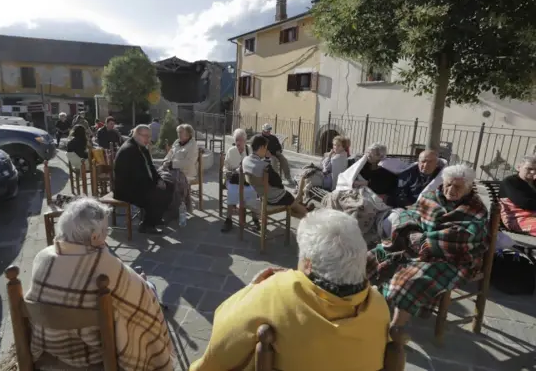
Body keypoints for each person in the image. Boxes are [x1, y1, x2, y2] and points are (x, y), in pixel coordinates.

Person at [190, 209, 391, 371]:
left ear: (309, 264)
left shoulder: (273, 292)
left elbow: (221, 344)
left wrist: (252, 289)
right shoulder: (378, 305)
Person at [25, 198, 174, 370]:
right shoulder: (105, 264)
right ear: (94, 237)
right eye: (106, 231)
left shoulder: (42, 257)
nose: (106, 236)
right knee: (149, 292)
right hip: (91, 356)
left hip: (50, 348)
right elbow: (140, 299)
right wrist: (144, 284)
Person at [367, 164, 488, 330]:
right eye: (448, 184)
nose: (451, 189)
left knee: (409, 280)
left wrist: (424, 241)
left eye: (457, 186)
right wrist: (410, 233)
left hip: (452, 258)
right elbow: (409, 213)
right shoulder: (431, 196)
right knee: (371, 256)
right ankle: (367, 309)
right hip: (413, 247)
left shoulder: (476, 209)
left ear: (468, 188)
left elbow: (463, 238)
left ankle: (396, 328)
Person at [114, 125, 174, 235]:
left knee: (169, 186)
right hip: (126, 189)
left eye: (149, 136)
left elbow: (151, 167)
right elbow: (137, 177)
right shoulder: (129, 150)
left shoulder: (141, 147)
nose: (148, 139)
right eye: (145, 136)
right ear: (136, 134)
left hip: (139, 184)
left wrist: (158, 180)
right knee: (158, 194)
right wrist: (154, 185)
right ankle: (147, 225)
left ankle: (155, 217)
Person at [242, 135, 308, 218]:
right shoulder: (264, 166)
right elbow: (278, 182)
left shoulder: (245, 160)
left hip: (258, 195)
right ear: (262, 147)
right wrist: (268, 160)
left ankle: (299, 203)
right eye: (266, 148)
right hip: (271, 198)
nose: (266, 150)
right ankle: (307, 215)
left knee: (290, 201)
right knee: (290, 199)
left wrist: (266, 159)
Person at [222, 129, 260, 232]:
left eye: (240, 140)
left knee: (253, 190)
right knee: (232, 190)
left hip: (246, 179)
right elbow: (225, 167)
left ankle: (255, 218)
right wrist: (228, 172)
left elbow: (255, 166)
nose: (238, 142)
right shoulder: (231, 151)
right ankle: (228, 219)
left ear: (245, 140)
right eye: (236, 140)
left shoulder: (250, 151)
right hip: (233, 179)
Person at [159, 124, 199, 218]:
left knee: (171, 181)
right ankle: (165, 204)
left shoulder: (193, 145)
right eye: (178, 132)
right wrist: (165, 161)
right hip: (173, 169)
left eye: (181, 132)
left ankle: (175, 207)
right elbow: (169, 154)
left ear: (188, 134)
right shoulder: (177, 142)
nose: (179, 134)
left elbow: (189, 162)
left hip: (186, 172)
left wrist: (173, 164)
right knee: (160, 177)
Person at [499, 155, 536, 236]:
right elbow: (525, 203)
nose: (533, 172)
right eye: (529, 169)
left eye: (535, 169)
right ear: (519, 167)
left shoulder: (533, 183)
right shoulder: (510, 182)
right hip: (516, 219)